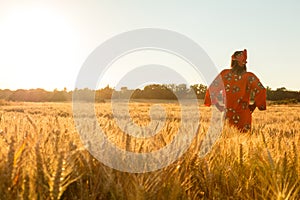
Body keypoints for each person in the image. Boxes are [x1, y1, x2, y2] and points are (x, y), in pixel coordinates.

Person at [204, 49, 266, 132]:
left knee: (227, 139)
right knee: (245, 139)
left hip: (227, 112)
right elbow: (261, 90)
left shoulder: (224, 74)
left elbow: (212, 89)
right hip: (244, 113)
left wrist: (217, 105)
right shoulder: (249, 76)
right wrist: (254, 105)